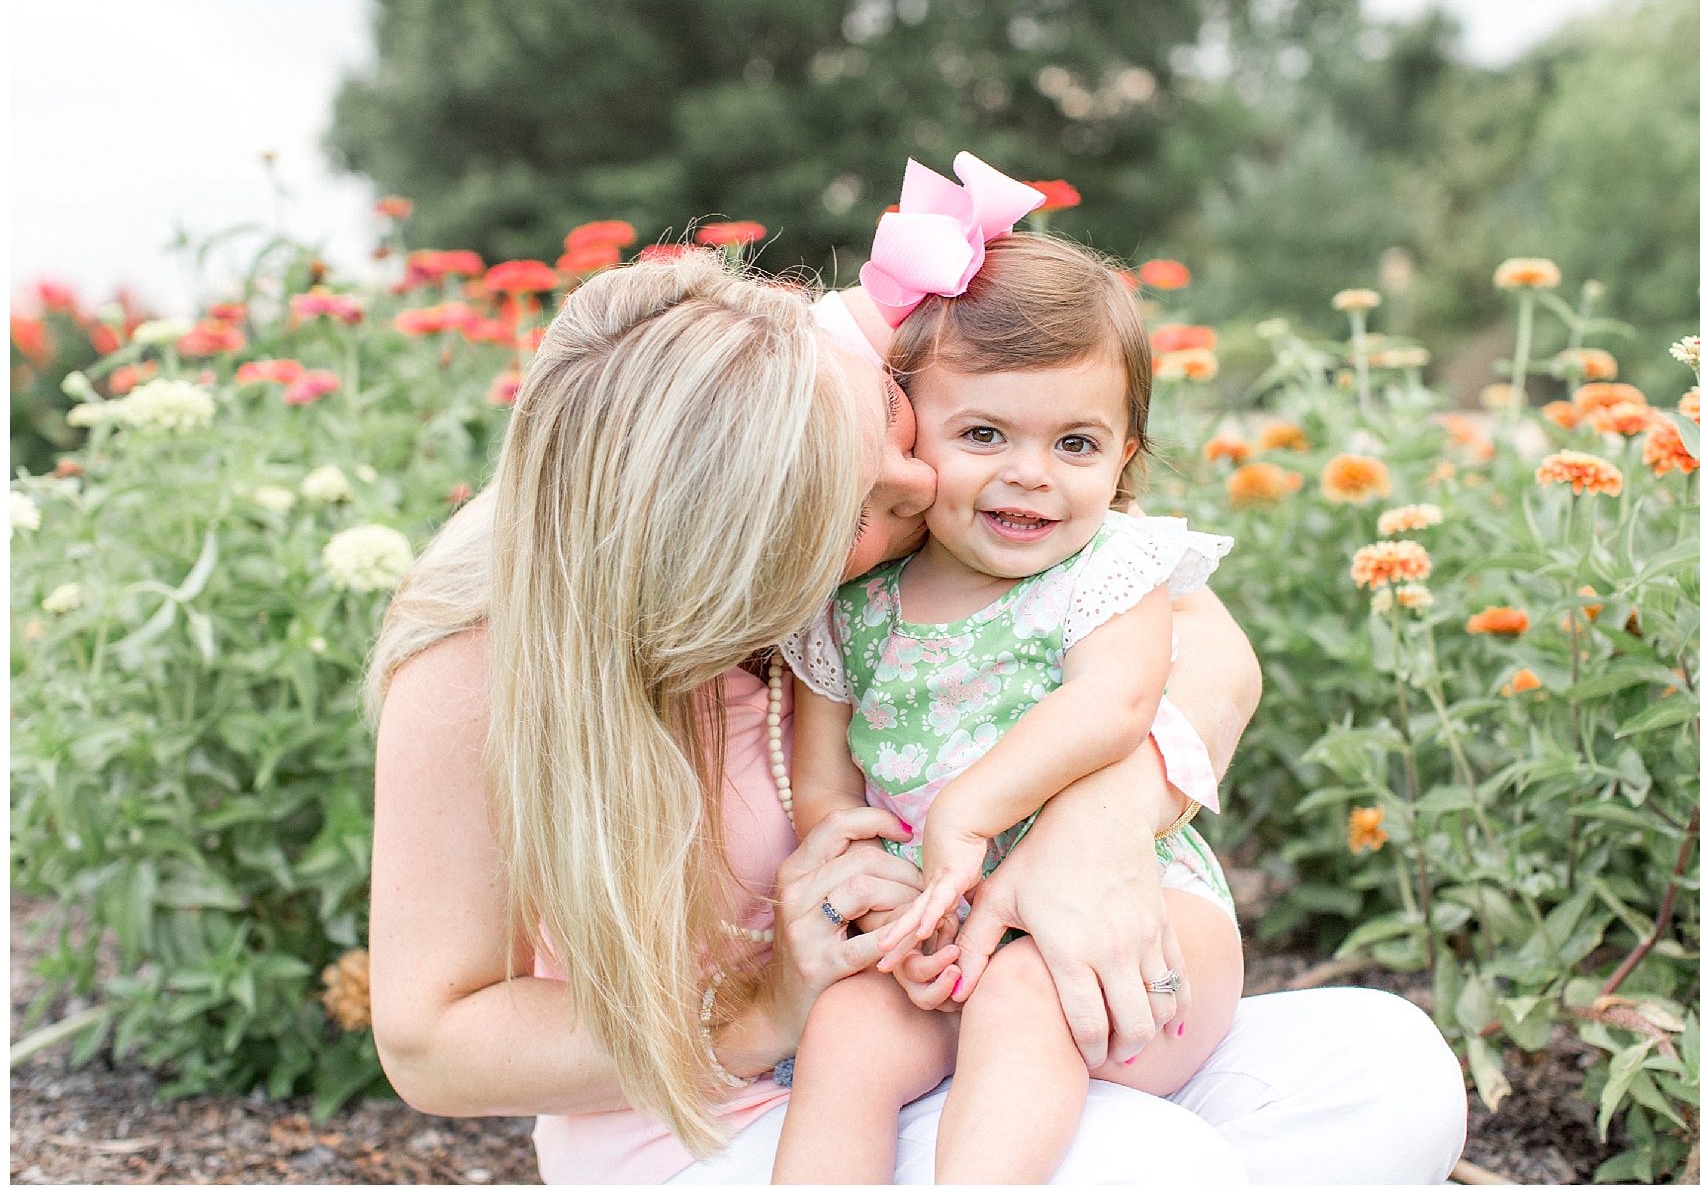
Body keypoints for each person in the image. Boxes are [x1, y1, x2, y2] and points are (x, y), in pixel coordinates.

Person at [367, 240, 1467, 1185]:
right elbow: (432, 1046)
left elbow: (1209, 652)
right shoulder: (483, 666)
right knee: (1153, 1166)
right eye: (874, 503)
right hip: (732, 1119)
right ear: (732, 554)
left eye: (909, 444)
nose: (926, 496)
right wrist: (767, 1008)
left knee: (1389, 1066)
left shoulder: (846, 419)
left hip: (970, 1014)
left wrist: (1099, 823)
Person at [773, 220, 1244, 1183]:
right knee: (846, 1034)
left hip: (1136, 910)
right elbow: (824, 788)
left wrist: (968, 808)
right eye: (984, 433)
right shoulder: (857, 606)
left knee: (1024, 999)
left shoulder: (1110, 571)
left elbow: (1114, 707)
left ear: (1125, 458)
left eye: (1076, 441)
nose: (1030, 471)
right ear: (908, 433)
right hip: (940, 925)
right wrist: (878, 905)